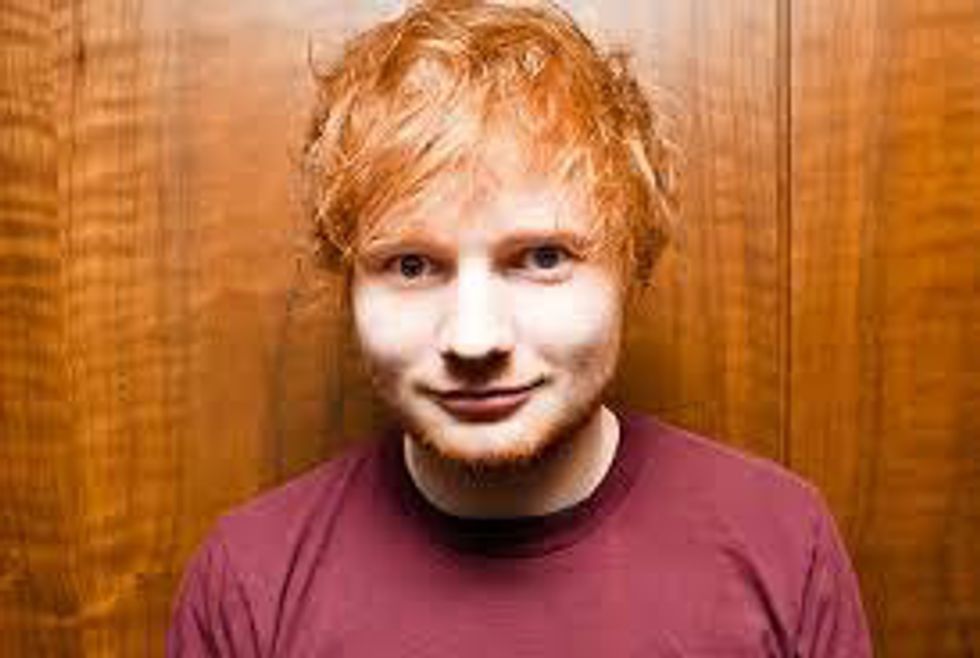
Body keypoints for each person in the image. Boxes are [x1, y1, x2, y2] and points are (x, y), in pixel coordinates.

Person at [167, 1, 873, 655]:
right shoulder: (247, 584)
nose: (474, 339)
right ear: (349, 282)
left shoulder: (783, 544)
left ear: (633, 263)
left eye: (543, 258)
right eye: (411, 265)